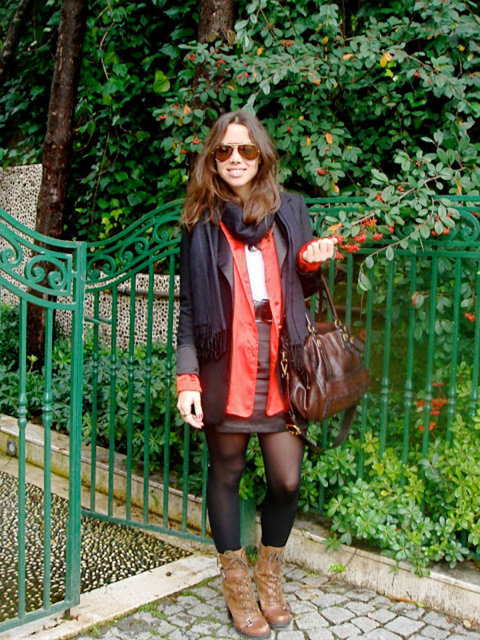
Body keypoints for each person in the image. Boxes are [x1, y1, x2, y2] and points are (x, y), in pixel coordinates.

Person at [176, 110, 336, 639]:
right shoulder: (200, 222)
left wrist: (312, 263)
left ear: (261, 155)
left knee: (286, 480)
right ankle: (236, 581)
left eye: (246, 149)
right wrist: (187, 379)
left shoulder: (291, 210)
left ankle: (269, 572)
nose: (236, 159)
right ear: (213, 158)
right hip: (228, 367)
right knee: (225, 473)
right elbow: (189, 307)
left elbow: (305, 288)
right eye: (224, 151)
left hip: (284, 365)